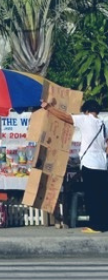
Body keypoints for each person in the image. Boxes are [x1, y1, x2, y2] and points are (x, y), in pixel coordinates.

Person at [42, 98, 108, 232]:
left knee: (91, 196)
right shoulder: (103, 124)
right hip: (103, 164)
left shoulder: (85, 119)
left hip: (90, 164)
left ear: (87, 110)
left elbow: (65, 117)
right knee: (102, 196)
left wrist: (48, 107)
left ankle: (95, 225)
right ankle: (104, 223)